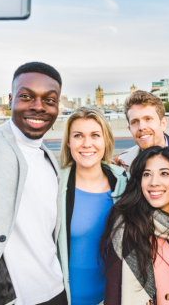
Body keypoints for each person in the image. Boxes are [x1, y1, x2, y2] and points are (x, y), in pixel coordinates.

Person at [0, 62, 67, 305]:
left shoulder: (49, 160)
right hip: (9, 296)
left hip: (54, 290)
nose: (38, 107)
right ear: (10, 100)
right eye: (26, 96)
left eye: (49, 100)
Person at [100, 146, 169, 305]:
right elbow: (113, 291)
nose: (154, 183)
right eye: (147, 174)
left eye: (164, 173)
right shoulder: (127, 227)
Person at [57, 107, 128, 305]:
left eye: (95, 135)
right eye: (78, 135)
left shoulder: (125, 183)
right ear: (69, 142)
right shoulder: (55, 185)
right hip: (66, 299)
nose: (87, 144)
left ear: (105, 140)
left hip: (114, 299)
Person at [115, 90, 169, 170]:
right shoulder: (123, 163)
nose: (141, 127)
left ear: (163, 123)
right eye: (135, 122)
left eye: (148, 118)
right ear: (130, 129)